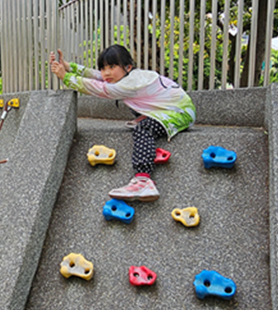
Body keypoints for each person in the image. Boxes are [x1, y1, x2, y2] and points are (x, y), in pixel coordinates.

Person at [48, 45, 196, 201]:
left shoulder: (129, 84)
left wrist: (65, 76)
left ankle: (143, 181)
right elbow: (98, 76)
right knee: (138, 115)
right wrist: (69, 67)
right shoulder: (130, 76)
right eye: (103, 67)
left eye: (112, 66)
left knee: (144, 129)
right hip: (171, 109)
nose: (106, 72)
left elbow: (98, 88)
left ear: (128, 67)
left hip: (180, 112)